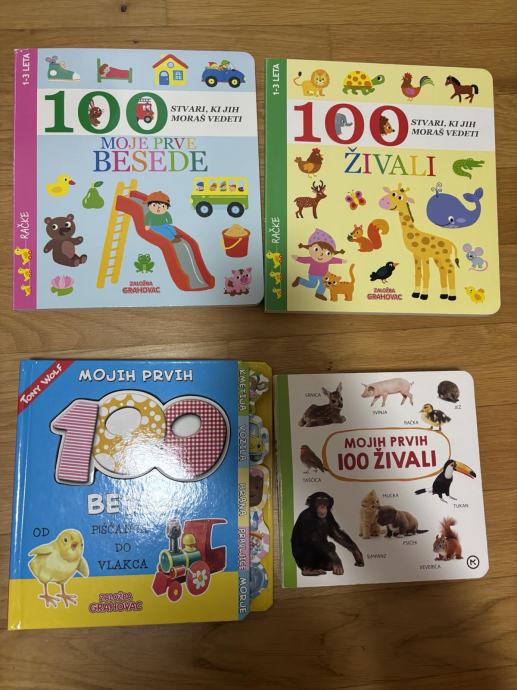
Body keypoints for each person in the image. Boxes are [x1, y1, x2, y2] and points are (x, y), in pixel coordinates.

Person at [291, 229, 346, 301]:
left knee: (323, 284)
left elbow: (335, 260)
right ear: (310, 248)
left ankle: (319, 294)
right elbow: (304, 260)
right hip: (312, 274)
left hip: (323, 275)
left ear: (332, 254)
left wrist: (341, 261)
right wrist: (297, 258)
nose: (321, 254)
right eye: (316, 249)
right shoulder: (311, 259)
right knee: (312, 285)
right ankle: (299, 280)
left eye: (327, 253)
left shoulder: (329, 260)